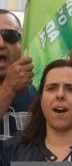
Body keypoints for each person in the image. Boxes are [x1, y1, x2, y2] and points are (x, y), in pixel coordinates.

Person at [0, 9, 34, 141]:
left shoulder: (42, 91)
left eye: (10, 35)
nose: (1, 44)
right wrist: (9, 88)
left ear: (22, 43)